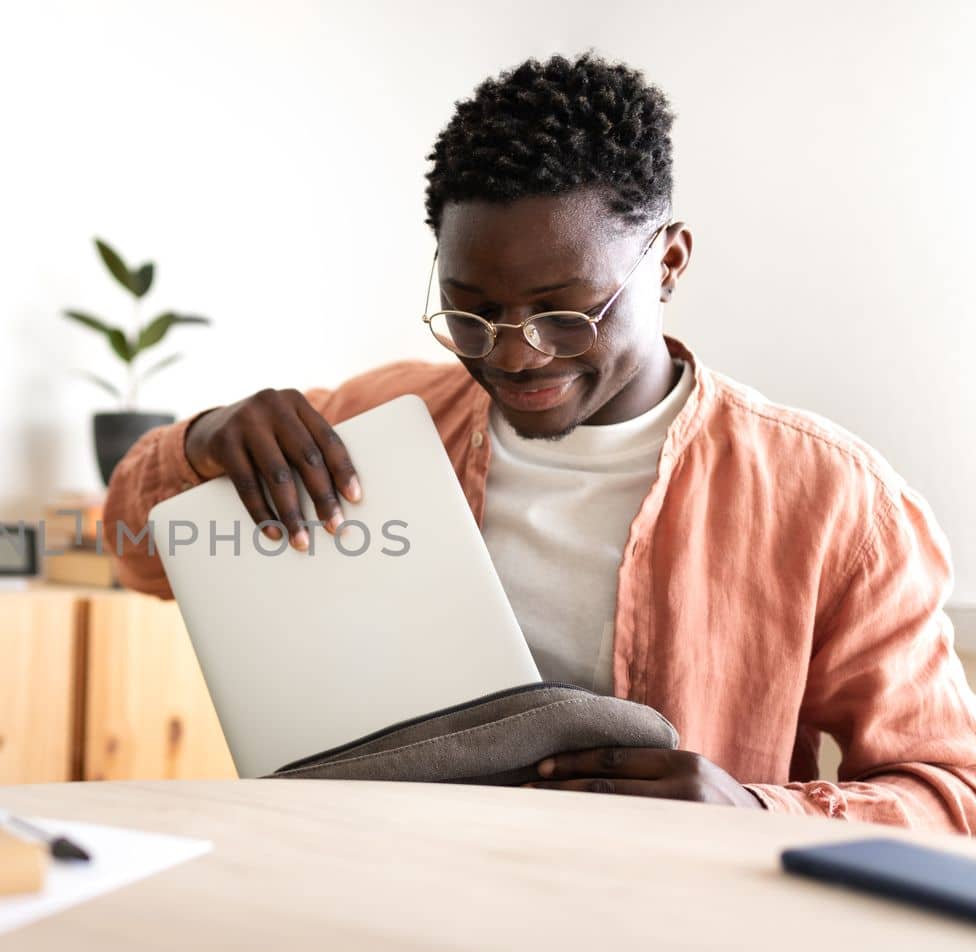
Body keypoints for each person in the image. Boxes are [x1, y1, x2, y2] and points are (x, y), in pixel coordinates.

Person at [102, 52, 976, 832]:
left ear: (668, 263)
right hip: (384, 889)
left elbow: (948, 793)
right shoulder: (386, 423)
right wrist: (205, 443)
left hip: (671, 941)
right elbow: (134, 552)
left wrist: (752, 810)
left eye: (566, 311)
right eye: (472, 311)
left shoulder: (831, 500)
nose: (517, 354)